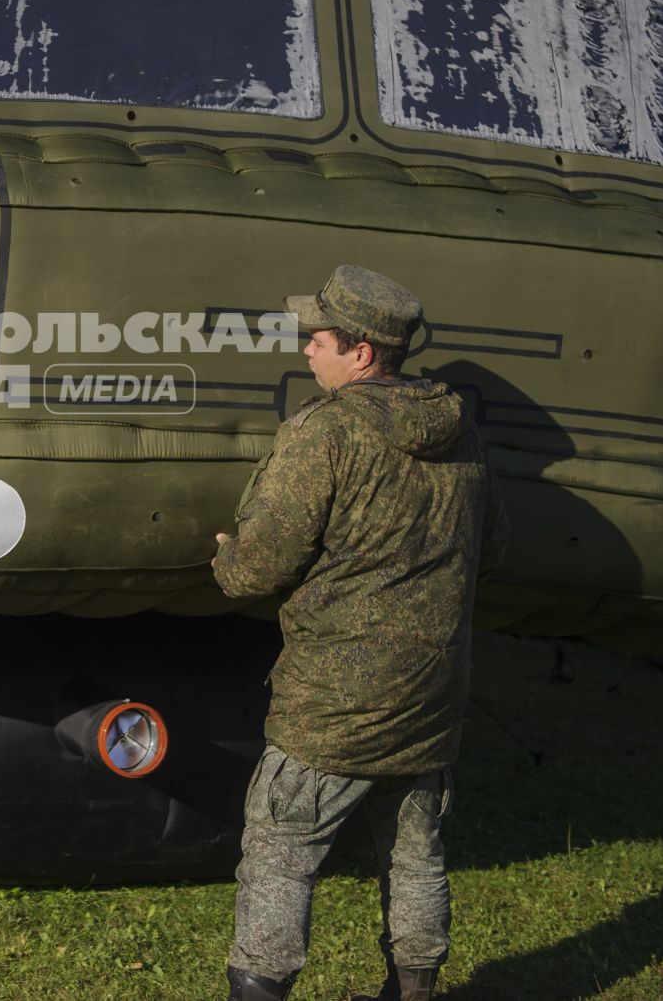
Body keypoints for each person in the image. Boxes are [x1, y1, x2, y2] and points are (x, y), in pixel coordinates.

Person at [209, 265, 508, 1001]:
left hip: (334, 704)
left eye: (318, 338)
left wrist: (226, 550)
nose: (307, 349)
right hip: (431, 696)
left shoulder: (325, 432)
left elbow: (254, 571)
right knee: (415, 851)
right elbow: (491, 549)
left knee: (279, 853)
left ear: (363, 352)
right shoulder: (462, 431)